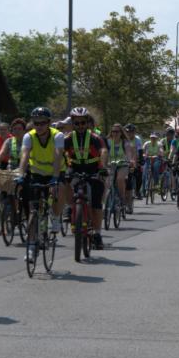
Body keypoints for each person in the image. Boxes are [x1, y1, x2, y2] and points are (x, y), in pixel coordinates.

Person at [17, 107, 65, 264]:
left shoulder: (57, 135)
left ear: (49, 123)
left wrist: (55, 177)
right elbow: (25, 155)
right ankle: (31, 247)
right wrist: (20, 174)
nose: (39, 126)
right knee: (33, 209)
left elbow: (58, 156)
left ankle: (56, 217)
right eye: (36, 123)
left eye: (42, 123)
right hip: (36, 173)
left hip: (55, 172)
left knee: (59, 189)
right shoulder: (29, 136)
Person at [61, 106, 108, 250]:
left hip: (93, 170)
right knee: (64, 181)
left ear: (87, 123)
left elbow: (103, 150)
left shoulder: (95, 138)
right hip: (75, 169)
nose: (80, 126)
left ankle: (97, 234)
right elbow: (59, 153)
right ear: (73, 123)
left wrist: (103, 167)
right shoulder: (67, 138)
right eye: (77, 123)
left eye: (83, 122)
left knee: (96, 204)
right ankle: (70, 207)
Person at [106, 123, 135, 211]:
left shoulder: (125, 143)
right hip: (110, 165)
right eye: (113, 131)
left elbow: (129, 154)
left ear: (121, 133)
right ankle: (106, 202)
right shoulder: (108, 142)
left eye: (117, 131)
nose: (115, 133)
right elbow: (104, 153)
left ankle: (122, 199)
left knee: (120, 179)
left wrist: (130, 161)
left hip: (123, 165)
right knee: (106, 182)